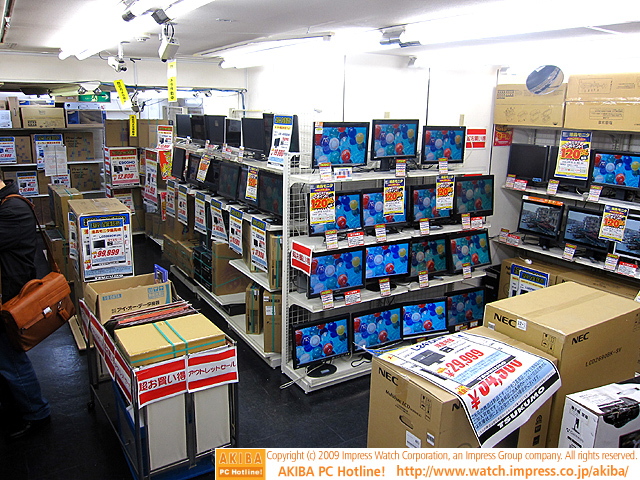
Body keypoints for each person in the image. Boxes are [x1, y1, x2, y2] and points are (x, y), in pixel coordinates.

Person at [0, 177, 51, 440]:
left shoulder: (13, 209)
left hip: (10, 298)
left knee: (11, 358)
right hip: (7, 292)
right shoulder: (7, 206)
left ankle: (36, 412)